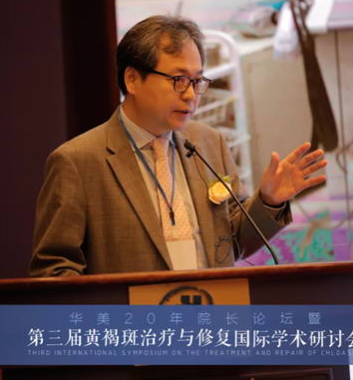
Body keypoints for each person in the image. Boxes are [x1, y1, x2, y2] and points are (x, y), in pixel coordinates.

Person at [29, 15, 326, 277]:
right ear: (132, 79)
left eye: (197, 81)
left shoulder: (209, 143)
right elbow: (55, 269)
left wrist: (269, 201)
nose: (191, 95)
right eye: (179, 79)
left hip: (211, 313)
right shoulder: (78, 161)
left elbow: (233, 244)